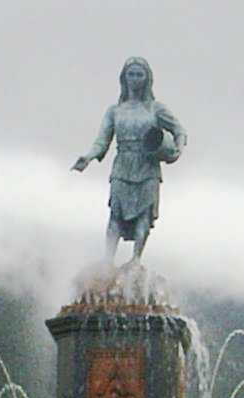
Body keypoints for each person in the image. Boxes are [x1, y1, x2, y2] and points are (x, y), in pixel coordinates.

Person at [72, 57, 186, 264]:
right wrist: (88, 157)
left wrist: (178, 149)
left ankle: (135, 260)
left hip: (147, 163)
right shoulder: (115, 111)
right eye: (131, 75)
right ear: (124, 79)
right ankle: (108, 260)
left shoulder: (155, 108)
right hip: (123, 164)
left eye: (139, 75)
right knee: (116, 212)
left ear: (147, 79)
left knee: (144, 213)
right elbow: (102, 140)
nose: (135, 79)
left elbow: (179, 129)